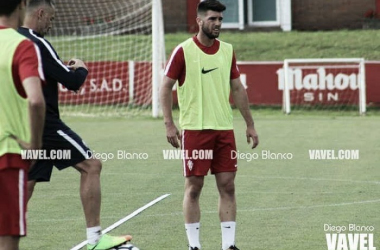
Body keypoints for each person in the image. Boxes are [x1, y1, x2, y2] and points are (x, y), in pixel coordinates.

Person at [18, 0, 132, 249]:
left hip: (19, 125)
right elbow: (72, 81)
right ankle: (95, 240)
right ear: (40, 13)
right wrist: (81, 67)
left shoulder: (9, 40)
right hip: (44, 125)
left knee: (26, 182)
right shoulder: (37, 43)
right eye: (51, 18)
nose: (51, 23)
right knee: (91, 165)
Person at [160, 1, 259, 250]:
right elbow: (164, 87)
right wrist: (169, 124)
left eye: (220, 20)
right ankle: (194, 246)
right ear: (200, 21)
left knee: (228, 185)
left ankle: (229, 245)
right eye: (213, 19)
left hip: (224, 130)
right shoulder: (183, 51)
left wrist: (250, 124)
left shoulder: (227, 50)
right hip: (195, 131)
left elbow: (237, 88)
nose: (217, 24)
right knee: (194, 187)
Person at [0, 0, 46, 249]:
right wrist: (35, 145)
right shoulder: (22, 45)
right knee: (7, 238)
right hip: (7, 154)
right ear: (22, 5)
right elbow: (36, 100)